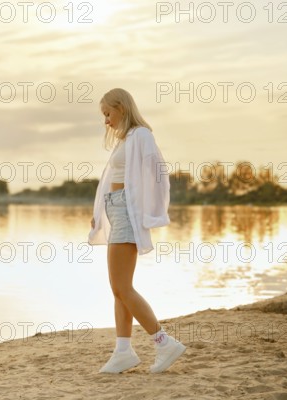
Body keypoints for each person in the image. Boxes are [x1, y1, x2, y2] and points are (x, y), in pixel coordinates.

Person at [88, 88, 186, 374]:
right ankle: (123, 351)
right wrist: (99, 215)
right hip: (116, 210)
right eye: (104, 115)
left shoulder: (141, 135)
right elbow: (112, 181)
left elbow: (158, 174)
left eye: (108, 113)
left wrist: (151, 213)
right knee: (117, 289)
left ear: (121, 107)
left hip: (127, 213)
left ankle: (163, 342)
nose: (106, 120)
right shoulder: (126, 139)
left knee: (123, 287)